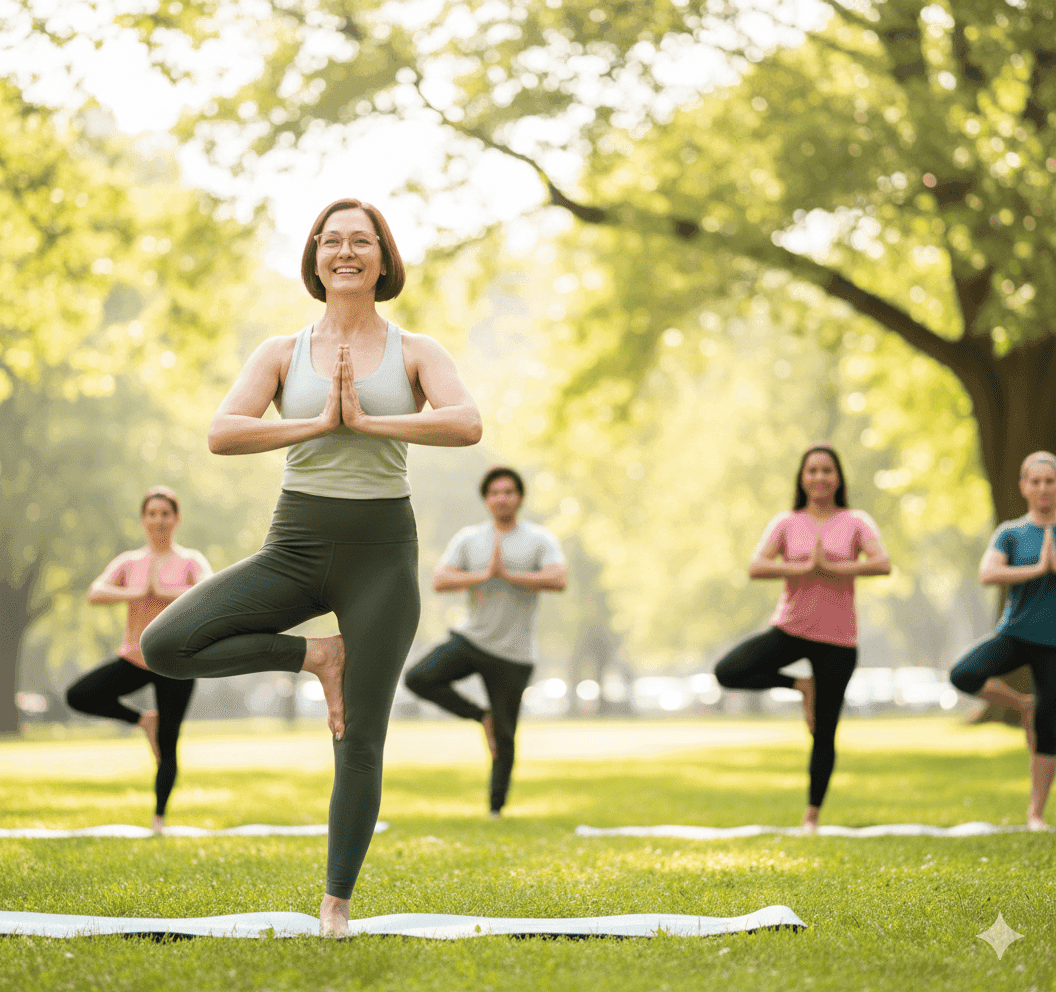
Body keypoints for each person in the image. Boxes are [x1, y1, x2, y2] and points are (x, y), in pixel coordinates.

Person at [140, 198, 482, 936]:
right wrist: (319, 423)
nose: (345, 252)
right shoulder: (280, 351)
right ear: (315, 257)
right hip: (293, 545)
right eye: (332, 241)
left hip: (382, 557)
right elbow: (223, 432)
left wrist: (369, 422)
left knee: (359, 737)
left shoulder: (417, 349)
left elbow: (466, 422)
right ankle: (316, 655)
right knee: (166, 646)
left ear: (384, 260)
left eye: (361, 241)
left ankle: (336, 904)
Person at [714, 444, 890, 831]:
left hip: (839, 639)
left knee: (825, 731)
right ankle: (800, 684)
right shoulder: (787, 522)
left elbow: (882, 563)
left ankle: (811, 818)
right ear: (802, 478)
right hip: (791, 628)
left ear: (838, 478)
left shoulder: (856, 521)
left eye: (827, 470)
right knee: (728, 671)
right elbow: (756, 566)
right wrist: (802, 566)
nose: (820, 478)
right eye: (812, 471)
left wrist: (833, 567)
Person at [404, 467, 567, 817]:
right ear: (486, 499)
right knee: (418, 678)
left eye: (509, 492)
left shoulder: (539, 538)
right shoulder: (470, 538)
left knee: (506, 737)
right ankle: (481, 715)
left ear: (519, 498)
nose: (502, 498)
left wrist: (509, 575)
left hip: (514, 653)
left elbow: (558, 578)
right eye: (495, 492)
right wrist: (484, 576)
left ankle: (495, 808)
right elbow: (440, 580)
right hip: (472, 640)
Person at [66, 486, 212, 833]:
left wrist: (162, 591)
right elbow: (95, 592)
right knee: (79, 695)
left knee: (169, 741)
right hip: (135, 657)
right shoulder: (130, 562)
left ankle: (159, 820)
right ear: (144, 519)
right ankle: (143, 720)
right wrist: (135, 592)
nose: (158, 520)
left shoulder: (190, 560)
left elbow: (209, 593)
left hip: (176, 661)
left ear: (176, 519)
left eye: (165, 513)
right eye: (152, 513)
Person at [950, 451, 1056, 832]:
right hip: (1015, 634)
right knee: (964, 674)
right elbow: (987, 573)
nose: (1043, 488)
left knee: (1050, 724)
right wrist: (1039, 569)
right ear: (1024, 487)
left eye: (1051, 481)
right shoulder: (1011, 533)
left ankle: (1035, 814)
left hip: (1054, 643)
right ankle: (1020, 703)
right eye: (1036, 481)